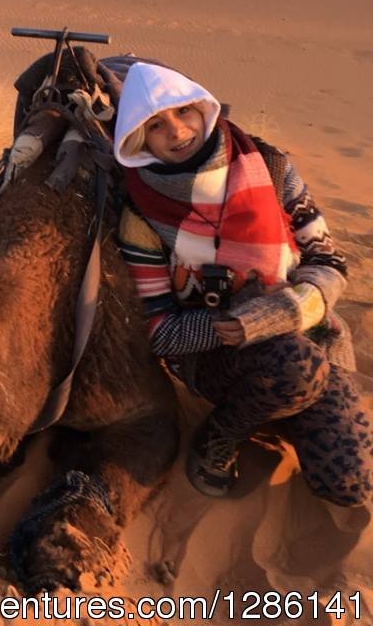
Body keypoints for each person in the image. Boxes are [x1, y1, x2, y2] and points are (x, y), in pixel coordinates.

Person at [112, 58, 372, 505]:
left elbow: (327, 259)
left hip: (312, 334)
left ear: (204, 109)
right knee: (294, 366)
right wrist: (235, 323)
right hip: (216, 356)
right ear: (138, 140)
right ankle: (222, 434)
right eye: (156, 125)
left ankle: (282, 403)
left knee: (349, 483)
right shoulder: (142, 214)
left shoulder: (269, 167)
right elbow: (160, 332)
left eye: (183, 112)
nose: (177, 131)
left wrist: (295, 308)